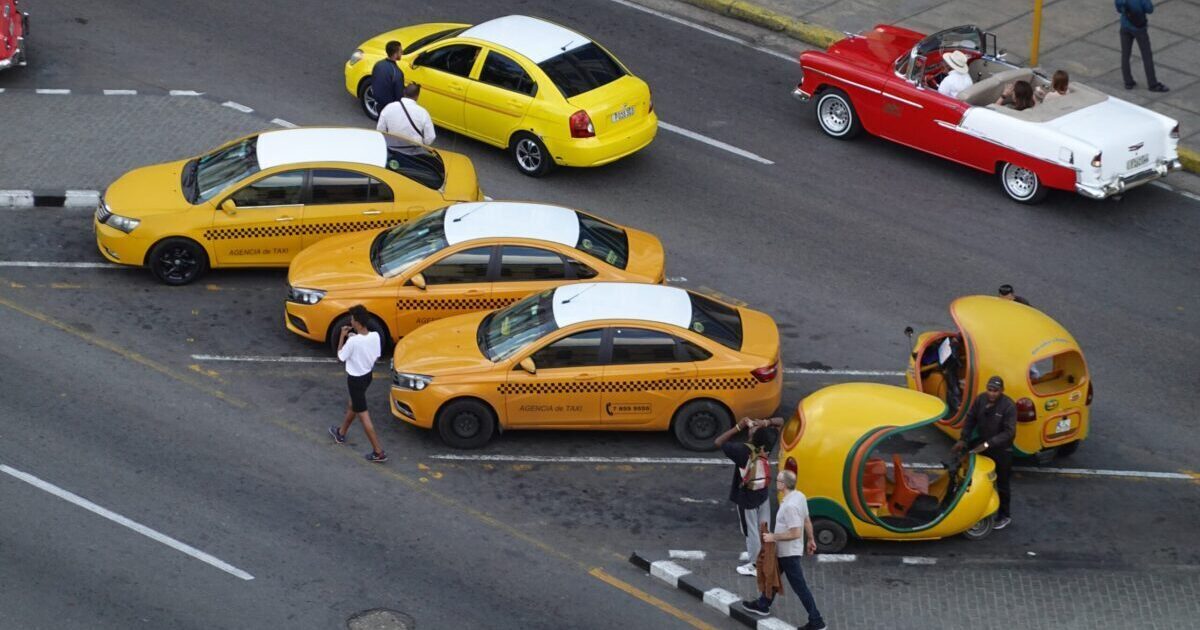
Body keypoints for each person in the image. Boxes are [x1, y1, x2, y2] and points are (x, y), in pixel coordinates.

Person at [741, 470, 826, 630]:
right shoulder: (799, 496)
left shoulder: (790, 506)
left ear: (784, 484)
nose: (776, 482)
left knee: (800, 587)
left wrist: (773, 537)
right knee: (772, 576)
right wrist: (811, 539)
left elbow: (795, 532)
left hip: (789, 553)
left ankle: (817, 621)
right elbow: (807, 520)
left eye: (778, 480)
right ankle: (763, 604)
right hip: (783, 551)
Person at [716, 417, 782, 576]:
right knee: (764, 528)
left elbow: (718, 442)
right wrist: (765, 423)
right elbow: (780, 422)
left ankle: (755, 565)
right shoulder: (767, 445)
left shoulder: (741, 451)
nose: (751, 427)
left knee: (751, 531)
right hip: (763, 493)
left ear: (752, 436)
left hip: (746, 497)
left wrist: (738, 427)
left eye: (752, 429)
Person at [953, 376, 1016, 529]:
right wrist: (963, 439)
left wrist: (988, 444)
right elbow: (970, 419)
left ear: (1002, 391)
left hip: (1001, 450)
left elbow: (1009, 432)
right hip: (984, 445)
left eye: (995, 391)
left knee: (1002, 484)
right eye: (989, 390)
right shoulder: (980, 400)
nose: (992, 393)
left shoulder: (1008, 406)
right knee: (972, 473)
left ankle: (1004, 515)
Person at [329, 305, 387, 463]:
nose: (351, 321)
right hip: (367, 376)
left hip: (355, 380)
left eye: (353, 319)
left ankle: (378, 451)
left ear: (358, 323)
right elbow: (375, 356)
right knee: (353, 404)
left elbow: (340, 357)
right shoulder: (375, 336)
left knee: (363, 416)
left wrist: (343, 336)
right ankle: (341, 433)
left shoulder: (353, 342)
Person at [1116, 0, 1169, 92]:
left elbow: (1119, 9)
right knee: (1146, 56)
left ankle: (1128, 82)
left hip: (1124, 26)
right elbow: (1150, 9)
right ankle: (1152, 84)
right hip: (1139, 29)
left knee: (1125, 55)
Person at [370, 40, 406, 114]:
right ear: (395, 54)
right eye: (400, 51)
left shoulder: (378, 64)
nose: (402, 53)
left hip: (379, 105)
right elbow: (399, 96)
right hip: (390, 109)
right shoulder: (397, 73)